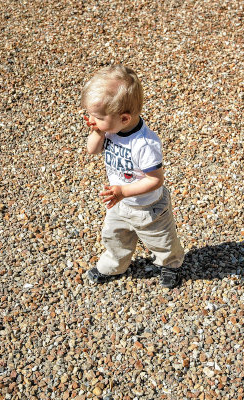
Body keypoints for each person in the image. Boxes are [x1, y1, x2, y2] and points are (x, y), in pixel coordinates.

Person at [81, 64, 184, 288]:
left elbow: (155, 180)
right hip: (119, 202)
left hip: (148, 206)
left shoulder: (145, 144)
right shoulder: (110, 128)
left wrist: (123, 191)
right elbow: (92, 150)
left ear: (124, 118)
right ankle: (113, 265)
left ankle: (170, 264)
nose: (91, 120)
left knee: (161, 240)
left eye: (97, 117)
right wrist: (98, 130)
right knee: (114, 237)